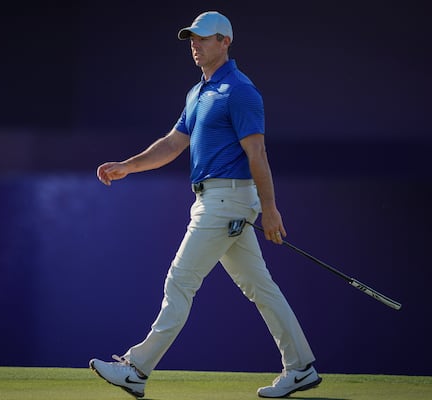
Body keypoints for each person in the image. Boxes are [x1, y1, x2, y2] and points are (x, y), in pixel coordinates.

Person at [90, 11, 321, 399]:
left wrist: (270, 208)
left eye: (203, 38)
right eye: (191, 39)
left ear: (225, 42)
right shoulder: (198, 92)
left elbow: (257, 152)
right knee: (260, 288)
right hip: (214, 200)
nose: (195, 45)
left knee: (180, 280)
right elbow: (173, 143)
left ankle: (136, 369)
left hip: (226, 200)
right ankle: (300, 367)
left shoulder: (241, 91)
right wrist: (127, 166)